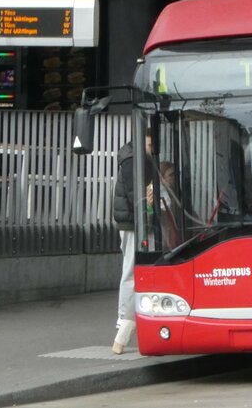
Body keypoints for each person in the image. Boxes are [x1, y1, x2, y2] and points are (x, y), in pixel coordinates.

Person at [112, 135, 150, 354]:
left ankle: (124, 319)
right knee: (131, 271)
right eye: (150, 143)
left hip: (131, 221)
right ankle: (123, 318)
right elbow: (135, 194)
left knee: (131, 270)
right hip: (132, 223)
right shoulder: (132, 159)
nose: (152, 147)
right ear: (143, 138)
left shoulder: (133, 156)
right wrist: (146, 217)